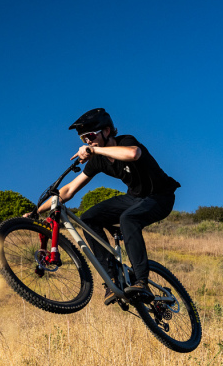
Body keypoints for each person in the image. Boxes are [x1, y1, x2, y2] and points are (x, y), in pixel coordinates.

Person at [30, 108, 180, 304]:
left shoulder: (125, 141)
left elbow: (133, 154)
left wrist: (94, 150)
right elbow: (68, 190)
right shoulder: (98, 161)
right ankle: (113, 280)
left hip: (161, 197)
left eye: (91, 136)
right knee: (88, 219)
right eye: (84, 139)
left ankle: (142, 281)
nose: (88, 142)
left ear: (107, 131)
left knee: (129, 218)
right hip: (135, 198)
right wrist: (35, 212)